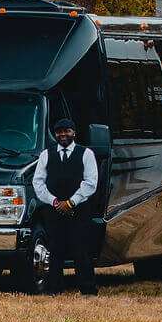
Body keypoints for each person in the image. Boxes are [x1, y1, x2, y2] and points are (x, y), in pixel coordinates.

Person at [32, 115, 100, 295]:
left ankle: (88, 289)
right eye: (59, 132)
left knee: (81, 249)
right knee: (55, 248)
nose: (63, 135)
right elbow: (38, 182)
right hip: (53, 208)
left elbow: (91, 182)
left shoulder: (86, 154)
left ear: (74, 133)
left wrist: (71, 202)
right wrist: (54, 201)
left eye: (67, 131)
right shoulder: (46, 154)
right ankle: (54, 288)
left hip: (79, 208)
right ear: (55, 134)